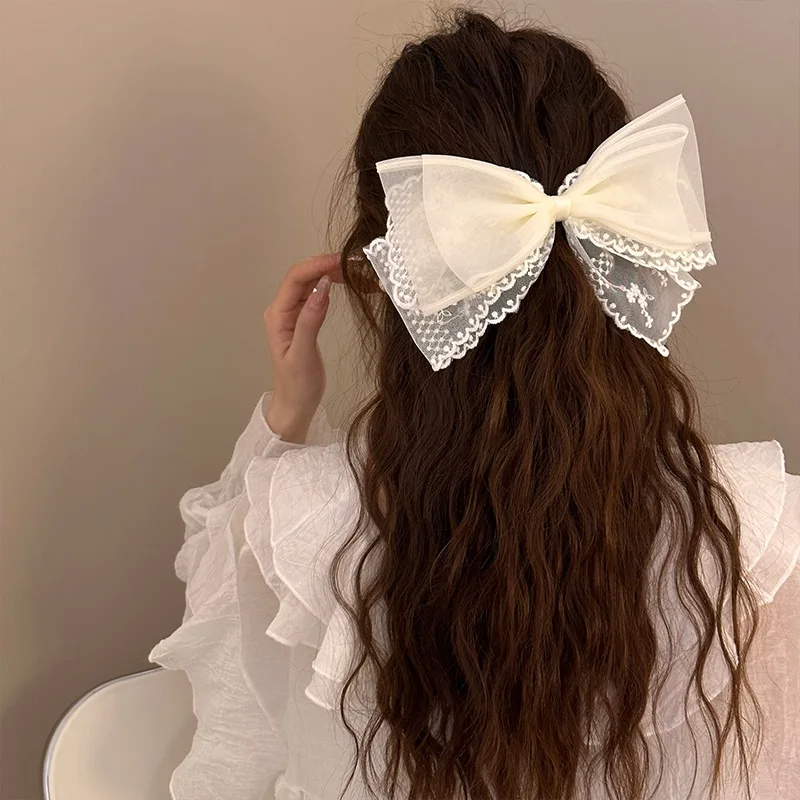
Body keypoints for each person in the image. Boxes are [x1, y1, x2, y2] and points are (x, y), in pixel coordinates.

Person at [150, 10, 799, 800]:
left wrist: (286, 417)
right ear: (628, 251)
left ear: (384, 272)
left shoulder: (292, 532)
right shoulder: (765, 541)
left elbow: (227, 745)